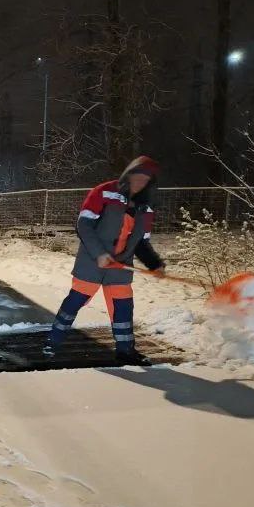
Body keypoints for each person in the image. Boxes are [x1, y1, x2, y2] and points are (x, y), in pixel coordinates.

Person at [44, 156, 166, 366]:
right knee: (75, 302)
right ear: (129, 174)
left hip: (120, 267)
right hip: (92, 261)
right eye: (137, 176)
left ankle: (126, 351)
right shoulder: (104, 192)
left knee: (123, 308)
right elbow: (84, 225)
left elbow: (141, 243)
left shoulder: (145, 208)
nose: (140, 182)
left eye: (145, 179)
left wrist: (155, 264)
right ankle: (53, 342)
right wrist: (99, 253)